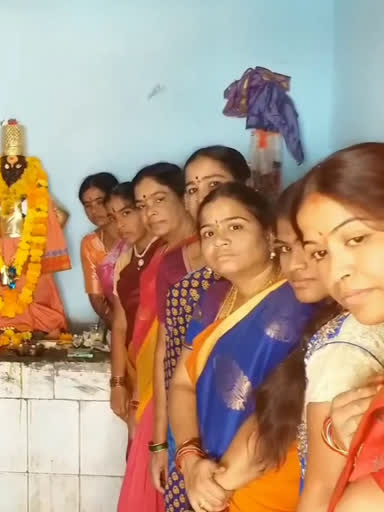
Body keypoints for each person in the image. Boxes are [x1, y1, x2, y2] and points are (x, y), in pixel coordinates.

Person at [168, 183, 316, 512]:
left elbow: (283, 414)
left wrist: (215, 485)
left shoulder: (301, 302)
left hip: (266, 483)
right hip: (206, 473)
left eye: (235, 226)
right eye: (208, 232)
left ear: (268, 235)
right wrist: (190, 460)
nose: (219, 240)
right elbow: (182, 384)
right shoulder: (212, 299)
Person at [154, 146, 251, 510]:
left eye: (214, 183)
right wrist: (165, 444)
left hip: (251, 453)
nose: (202, 195)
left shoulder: (285, 288)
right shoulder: (187, 289)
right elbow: (172, 368)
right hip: (190, 437)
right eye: (192, 189)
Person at [290, 143, 384, 511]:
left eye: (356, 238)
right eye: (320, 252)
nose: (336, 272)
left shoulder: (348, 347)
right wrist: (361, 433)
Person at [118, 162, 196, 511]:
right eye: (143, 204)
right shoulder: (162, 254)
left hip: (179, 385)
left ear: (184, 197)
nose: (150, 212)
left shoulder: (200, 253)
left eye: (159, 199)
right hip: (152, 386)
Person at [0, 119, 71, 334]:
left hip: (30, 260)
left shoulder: (39, 197)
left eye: (18, 165)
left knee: (34, 292)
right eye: (6, 166)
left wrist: (48, 216)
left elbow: (61, 218)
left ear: (26, 168)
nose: (11, 169)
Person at [107, 181, 161, 424]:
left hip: (160, 370)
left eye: (126, 213)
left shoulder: (167, 255)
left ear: (144, 210)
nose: (119, 224)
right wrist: (118, 382)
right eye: (113, 216)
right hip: (132, 366)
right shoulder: (123, 262)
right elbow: (119, 324)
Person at [79, 172, 121, 323]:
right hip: (115, 325)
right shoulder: (90, 244)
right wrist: (119, 330)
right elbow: (96, 297)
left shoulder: (137, 233)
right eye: (88, 205)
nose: (94, 211)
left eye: (100, 202)